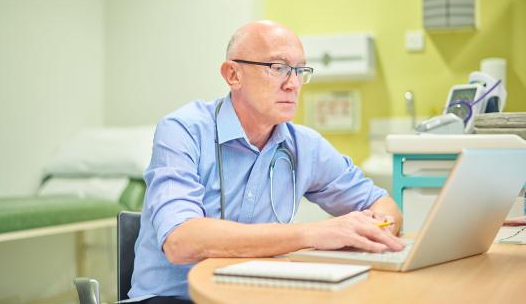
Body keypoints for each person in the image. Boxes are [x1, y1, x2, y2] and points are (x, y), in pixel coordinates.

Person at [128, 20, 404, 304]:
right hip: (172, 297)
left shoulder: (304, 146)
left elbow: (382, 204)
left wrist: (380, 228)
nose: (293, 83)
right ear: (233, 74)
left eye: (300, 70)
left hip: (258, 296)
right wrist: (313, 233)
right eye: (278, 68)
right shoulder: (183, 131)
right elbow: (180, 241)